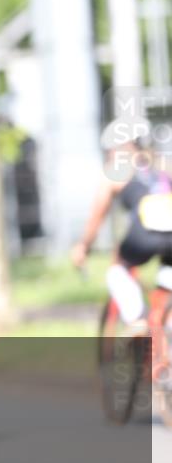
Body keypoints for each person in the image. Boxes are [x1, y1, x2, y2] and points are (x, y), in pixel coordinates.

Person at [71, 117, 172, 332]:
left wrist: (83, 246)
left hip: (143, 237)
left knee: (117, 271)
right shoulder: (163, 164)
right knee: (167, 284)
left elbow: (97, 216)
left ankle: (137, 321)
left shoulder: (117, 171)